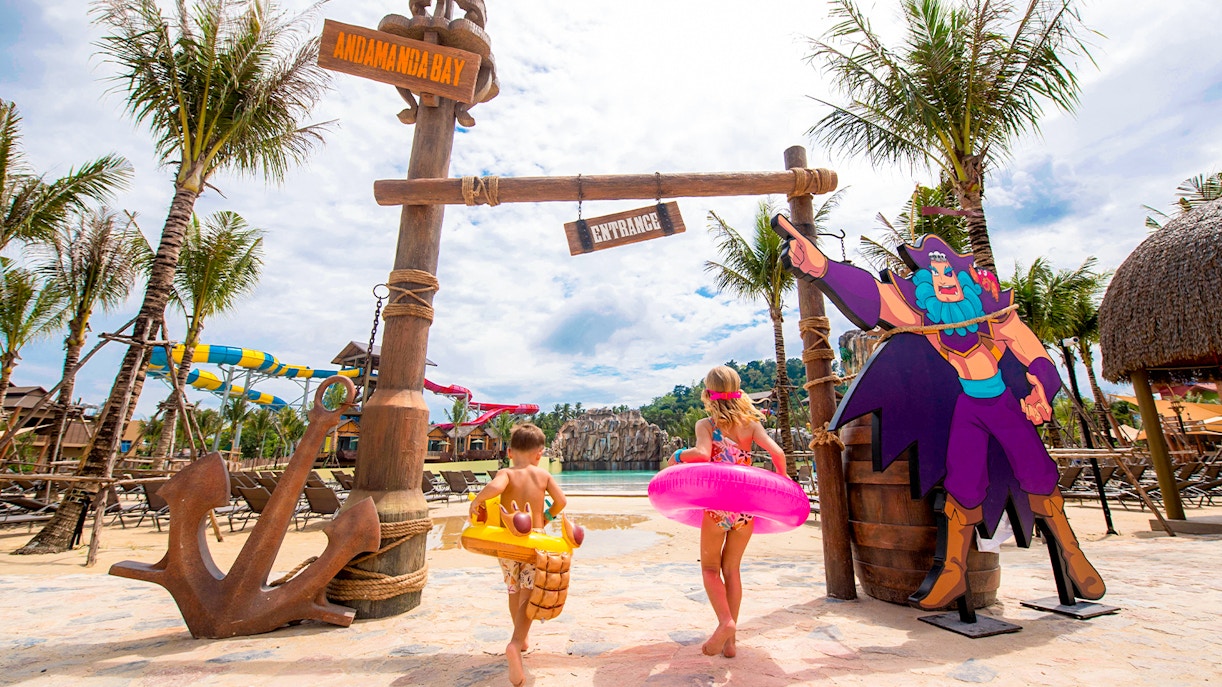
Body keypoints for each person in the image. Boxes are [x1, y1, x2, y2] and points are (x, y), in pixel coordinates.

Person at [771, 213, 1104, 609]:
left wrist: (1042, 387)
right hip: (966, 405)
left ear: (962, 275)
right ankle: (952, 573)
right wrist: (821, 267)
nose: (943, 275)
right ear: (925, 280)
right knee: (961, 487)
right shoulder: (922, 315)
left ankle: (1072, 554)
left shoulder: (989, 308)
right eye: (935, 270)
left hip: (1001, 403)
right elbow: (873, 296)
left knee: (1037, 475)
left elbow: (1028, 347)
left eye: (948, 268)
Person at [667, 365, 786, 658]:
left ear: (707, 393)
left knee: (710, 569)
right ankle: (731, 644)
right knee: (732, 570)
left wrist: (677, 456)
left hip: (717, 506)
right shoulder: (751, 424)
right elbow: (777, 453)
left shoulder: (706, 424)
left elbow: (702, 455)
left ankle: (725, 623)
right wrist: (783, 487)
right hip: (745, 509)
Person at [468, 423, 568, 687]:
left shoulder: (506, 473)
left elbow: (494, 488)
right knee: (530, 591)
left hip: (508, 544)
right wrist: (545, 519)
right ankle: (515, 642)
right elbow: (561, 502)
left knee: (513, 590)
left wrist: (477, 500)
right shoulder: (542, 476)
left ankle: (520, 638)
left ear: (510, 451)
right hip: (533, 542)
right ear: (540, 453)